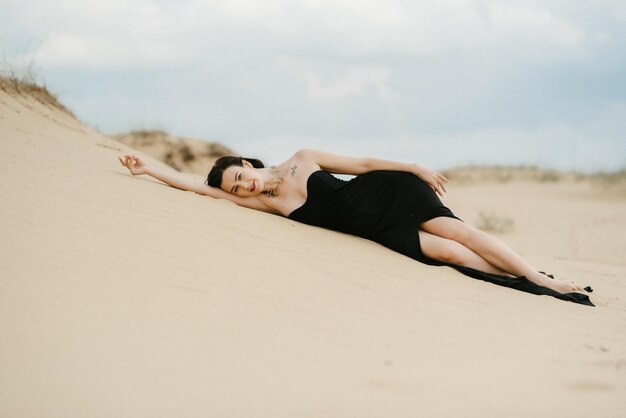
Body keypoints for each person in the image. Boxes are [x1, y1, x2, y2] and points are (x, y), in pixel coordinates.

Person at [118, 149, 591, 301]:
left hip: (388, 192)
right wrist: (149, 169)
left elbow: (362, 163)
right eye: (235, 188)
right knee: (447, 254)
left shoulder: (301, 159)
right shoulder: (263, 206)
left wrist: (416, 169)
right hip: (376, 230)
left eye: (239, 176)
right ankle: (522, 279)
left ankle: (541, 278)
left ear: (248, 161)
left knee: (458, 233)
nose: (241, 187)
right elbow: (195, 187)